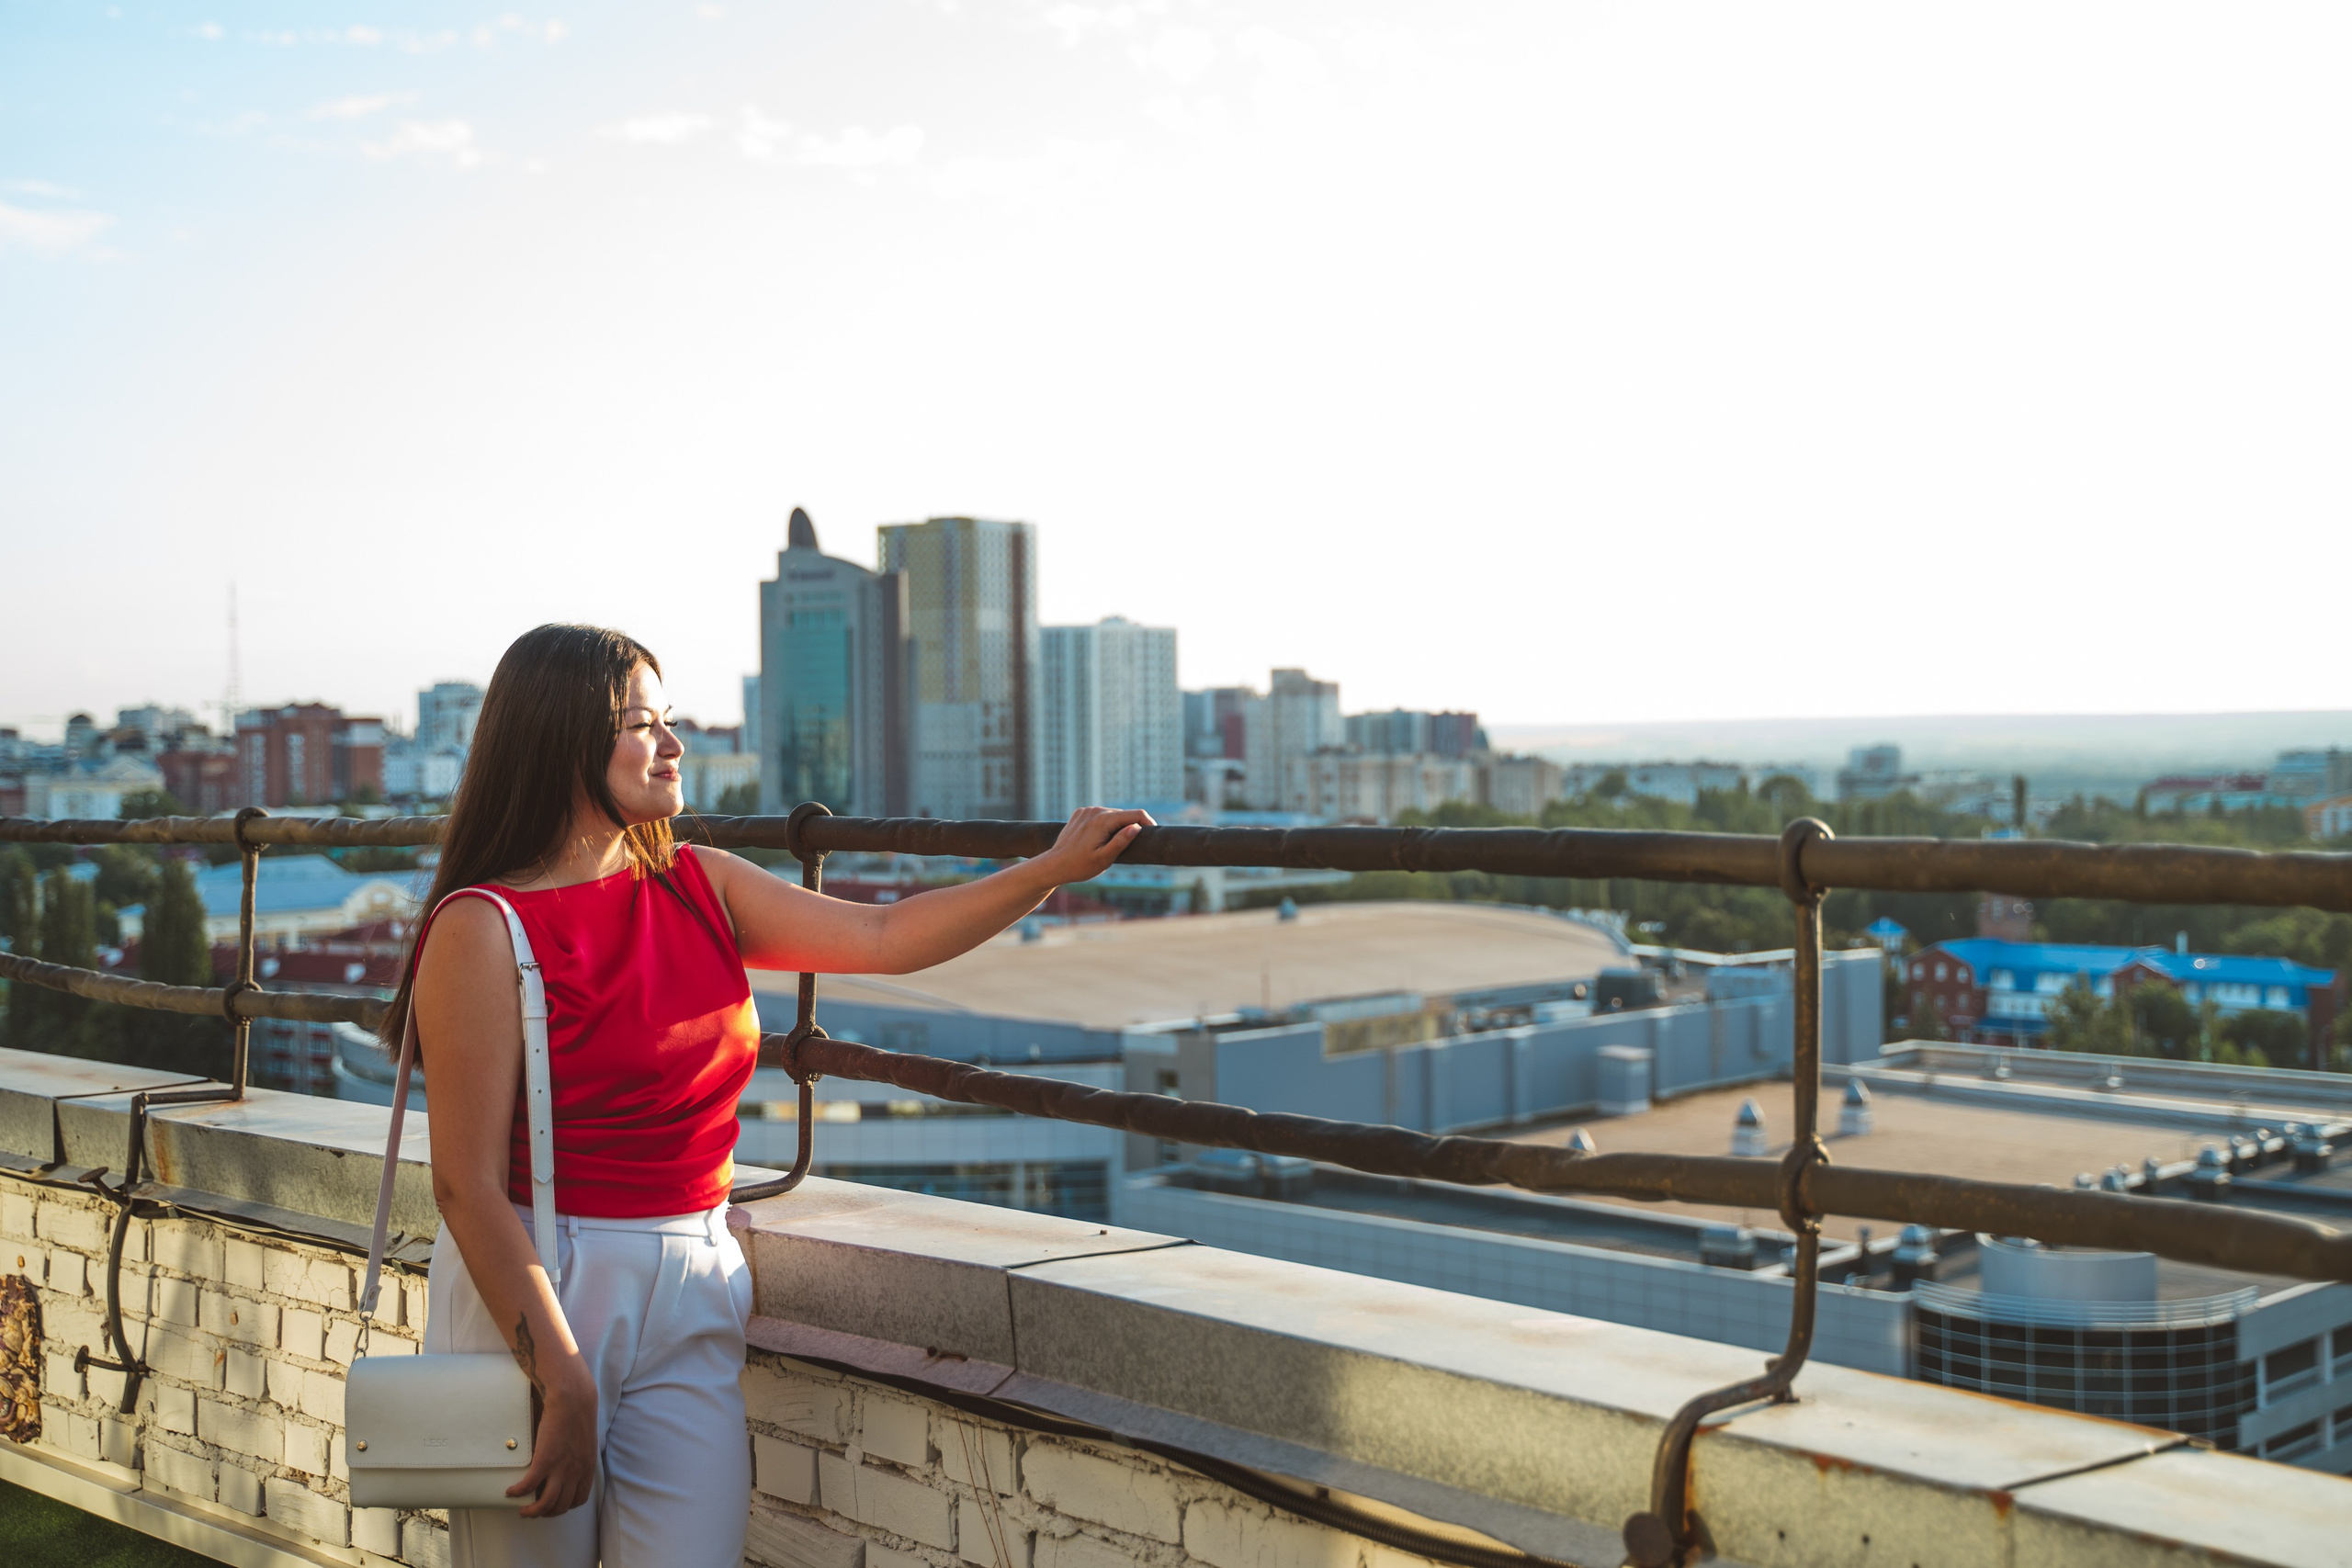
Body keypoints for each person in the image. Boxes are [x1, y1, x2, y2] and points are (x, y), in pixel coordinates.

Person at [377, 623, 1148, 1568]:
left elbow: (882, 939)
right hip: (543, 1280)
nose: (672, 742)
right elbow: (463, 1183)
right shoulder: (481, 926)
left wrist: (1047, 872)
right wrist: (561, 1373)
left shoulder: (697, 882)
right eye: (639, 723)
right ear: (556, 738)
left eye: (668, 720)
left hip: (695, 1271)